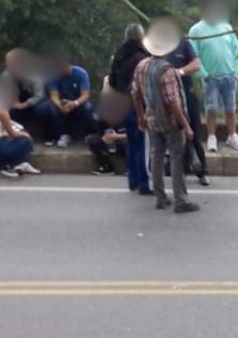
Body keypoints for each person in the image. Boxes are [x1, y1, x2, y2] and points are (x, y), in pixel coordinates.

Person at [132, 18, 200, 213]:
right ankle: (181, 200)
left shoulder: (141, 66)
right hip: (170, 121)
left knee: (156, 157)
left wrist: (141, 116)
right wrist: (186, 126)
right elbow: (173, 102)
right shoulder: (168, 71)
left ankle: (160, 197)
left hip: (152, 118)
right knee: (177, 159)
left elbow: (135, 94)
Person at [189, 0, 238, 152]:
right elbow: (194, 55)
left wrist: (236, 72)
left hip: (230, 75)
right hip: (211, 77)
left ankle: (232, 136)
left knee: (231, 108)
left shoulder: (226, 27)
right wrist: (204, 74)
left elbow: (236, 51)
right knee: (211, 108)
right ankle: (211, 137)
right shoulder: (196, 30)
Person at [163, 18, 210, 186]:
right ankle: (173, 173)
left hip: (185, 94)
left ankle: (202, 171)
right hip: (165, 97)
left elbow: (196, 64)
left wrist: (179, 72)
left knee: (194, 132)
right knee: (168, 136)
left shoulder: (183, 43)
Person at [108, 23, 151, 194]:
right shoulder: (141, 58)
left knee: (132, 143)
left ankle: (132, 180)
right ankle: (144, 183)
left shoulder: (119, 56)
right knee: (143, 145)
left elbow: (111, 81)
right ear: (141, 38)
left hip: (122, 103)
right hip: (138, 105)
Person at [4, 48, 59, 142]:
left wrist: (24, 105)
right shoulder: (6, 75)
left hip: (35, 102)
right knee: (8, 110)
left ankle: (49, 137)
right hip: (18, 103)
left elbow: (40, 95)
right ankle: (15, 136)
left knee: (45, 109)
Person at [46, 51, 95, 147]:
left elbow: (85, 95)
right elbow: (53, 95)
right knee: (51, 108)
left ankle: (90, 134)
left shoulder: (81, 73)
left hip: (78, 102)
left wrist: (74, 103)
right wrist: (59, 104)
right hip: (62, 102)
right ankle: (63, 134)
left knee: (88, 108)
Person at [86, 87, 131, 177]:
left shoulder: (127, 114)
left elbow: (134, 134)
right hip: (110, 142)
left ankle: (130, 168)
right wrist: (104, 137)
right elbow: (99, 131)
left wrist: (117, 136)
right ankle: (106, 166)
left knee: (130, 144)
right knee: (92, 139)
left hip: (122, 139)